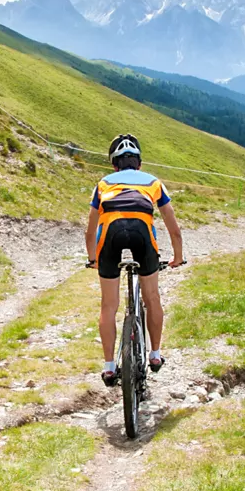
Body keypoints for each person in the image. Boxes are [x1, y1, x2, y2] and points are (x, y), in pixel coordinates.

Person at [85, 134, 185, 387]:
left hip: (109, 237)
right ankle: (154, 355)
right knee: (152, 298)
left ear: (114, 165)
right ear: (139, 164)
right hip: (143, 236)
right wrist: (178, 257)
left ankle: (109, 367)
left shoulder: (103, 184)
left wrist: (93, 259)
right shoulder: (153, 182)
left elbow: (90, 229)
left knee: (109, 305)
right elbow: (174, 229)